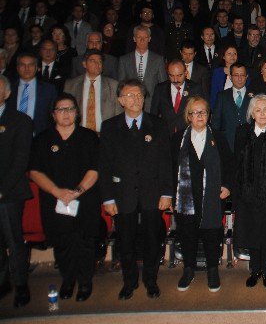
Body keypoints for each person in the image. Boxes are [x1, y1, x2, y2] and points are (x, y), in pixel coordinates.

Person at [98, 79, 172, 300]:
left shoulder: (158, 125)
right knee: (126, 241)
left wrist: (167, 193)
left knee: (152, 239)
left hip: (152, 193)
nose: (136, 99)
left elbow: (165, 162)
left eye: (139, 95)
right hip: (123, 195)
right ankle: (129, 281)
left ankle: (151, 280)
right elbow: (105, 165)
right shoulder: (110, 127)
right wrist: (108, 198)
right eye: (130, 95)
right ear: (121, 100)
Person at [28, 94, 100, 302]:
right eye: (61, 109)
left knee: (85, 242)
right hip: (55, 201)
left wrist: (77, 191)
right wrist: (58, 192)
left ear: (77, 113)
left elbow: (95, 169)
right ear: (53, 114)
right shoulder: (42, 139)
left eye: (70, 109)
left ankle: (85, 283)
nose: (66, 113)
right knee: (63, 243)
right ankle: (68, 280)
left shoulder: (88, 137)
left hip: (84, 199)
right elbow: (35, 172)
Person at [171, 96, 232, 293]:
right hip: (186, 197)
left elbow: (230, 165)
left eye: (203, 112)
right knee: (187, 234)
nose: (199, 116)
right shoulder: (177, 139)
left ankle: (213, 270)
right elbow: (169, 169)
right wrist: (171, 195)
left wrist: (228, 186)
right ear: (188, 116)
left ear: (208, 115)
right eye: (194, 112)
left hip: (212, 196)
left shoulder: (219, 138)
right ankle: (188, 269)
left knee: (212, 234)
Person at [233, 94, 266, 288]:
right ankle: (255, 270)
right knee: (253, 233)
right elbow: (236, 165)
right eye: (258, 110)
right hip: (248, 194)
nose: (262, 113)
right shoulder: (242, 132)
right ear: (251, 113)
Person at [0, 74, 33, 307]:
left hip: (8, 193)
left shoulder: (20, 120)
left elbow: (20, 161)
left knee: (13, 240)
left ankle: (21, 285)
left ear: (8, 94)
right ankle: (2, 282)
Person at [63, 49, 121, 132]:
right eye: (92, 61)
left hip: (105, 134)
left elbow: (118, 115)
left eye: (100, 61)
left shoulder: (113, 85)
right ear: (84, 64)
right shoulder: (71, 85)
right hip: (79, 133)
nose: (97, 64)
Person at [117, 26, 168, 111]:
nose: (142, 40)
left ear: (149, 39)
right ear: (134, 39)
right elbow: (120, 85)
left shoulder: (158, 60)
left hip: (152, 106)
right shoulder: (124, 60)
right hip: (130, 105)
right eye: (139, 37)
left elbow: (163, 86)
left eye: (145, 37)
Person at [8, 52, 58, 135]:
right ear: (17, 68)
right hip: (12, 137)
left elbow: (54, 115)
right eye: (22, 65)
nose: (26, 68)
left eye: (30, 65)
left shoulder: (49, 90)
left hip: (40, 137)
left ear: (37, 68)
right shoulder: (9, 89)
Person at [151, 60, 205, 135]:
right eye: (171, 75)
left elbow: (201, 113)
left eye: (179, 75)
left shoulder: (195, 88)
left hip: (188, 134)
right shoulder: (160, 88)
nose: (175, 80)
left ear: (186, 73)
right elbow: (153, 114)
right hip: (166, 134)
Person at [212, 62, 253, 148]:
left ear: (247, 77)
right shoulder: (222, 96)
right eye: (236, 75)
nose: (239, 78)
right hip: (227, 143)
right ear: (230, 77)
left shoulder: (254, 96)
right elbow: (216, 122)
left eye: (242, 75)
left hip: (249, 144)